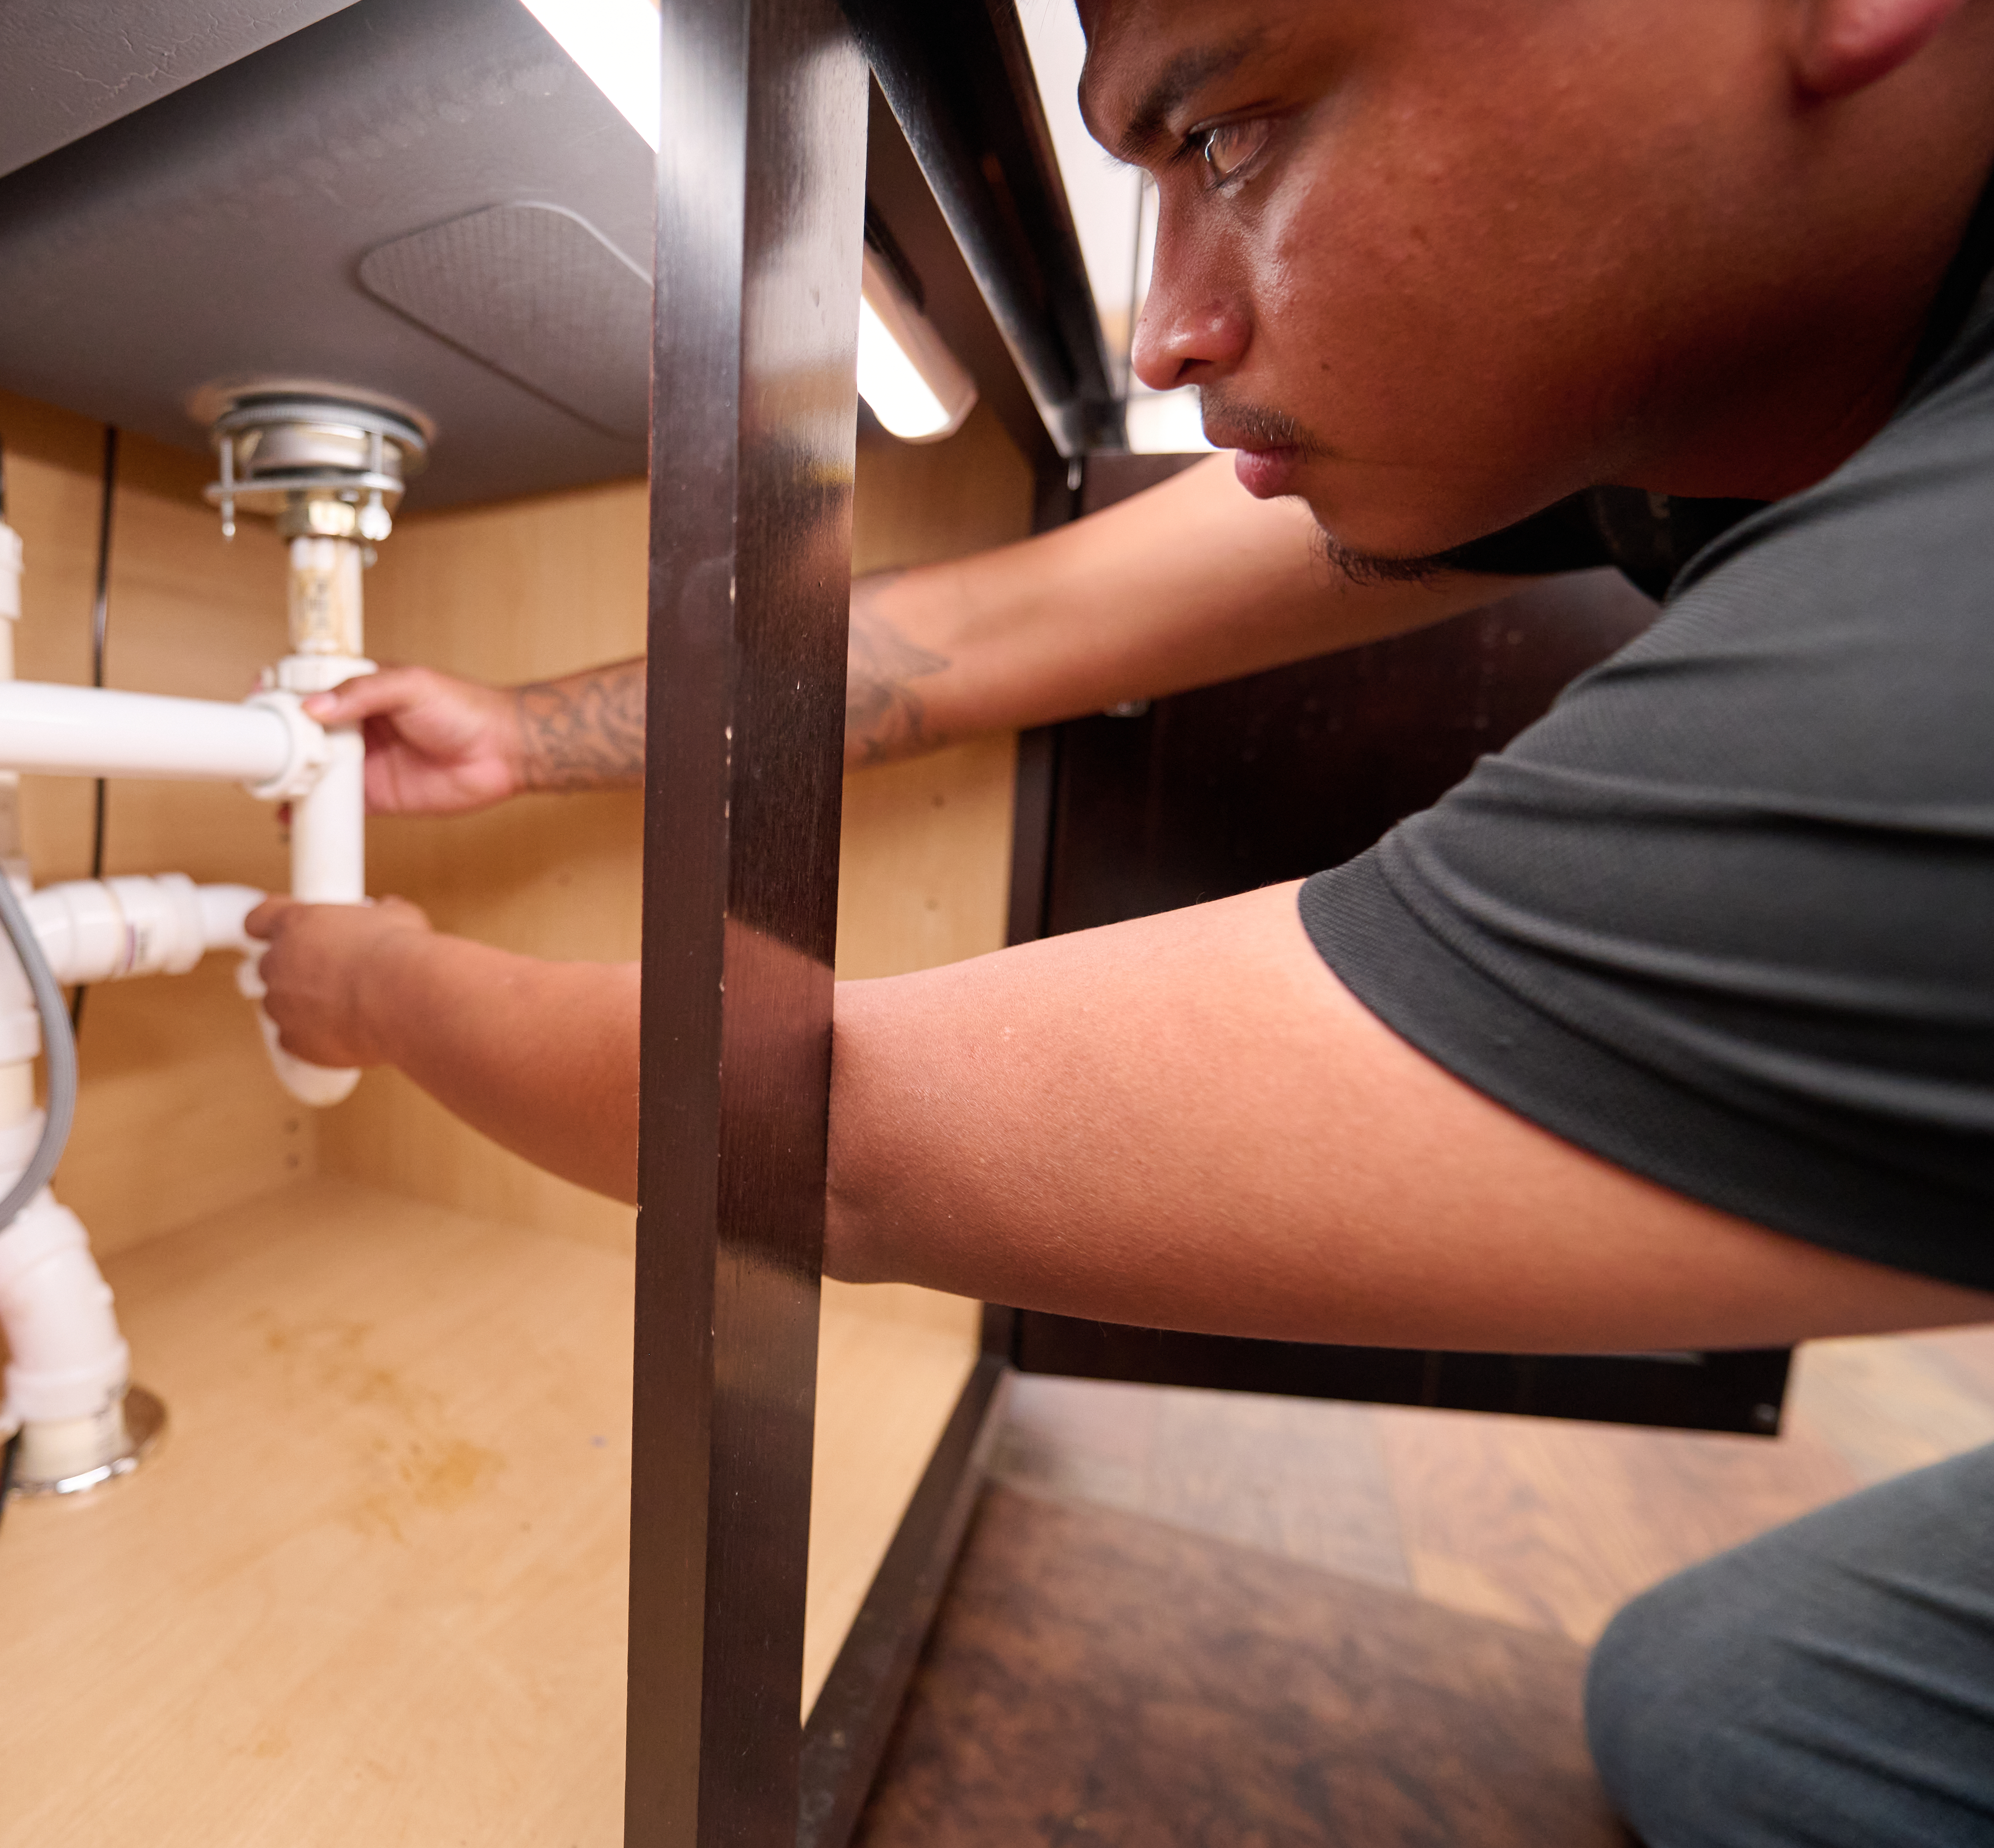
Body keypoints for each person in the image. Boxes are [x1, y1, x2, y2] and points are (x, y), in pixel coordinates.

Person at [248, 0, 1994, 1840]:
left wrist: (371, 981)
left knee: (1758, 1742)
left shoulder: (1945, 655)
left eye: (1237, 134)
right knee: (1727, 1690)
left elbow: (822, 1139)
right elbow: (1020, 629)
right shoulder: (1685, 349)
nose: (1168, 332)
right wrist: (518, 737)